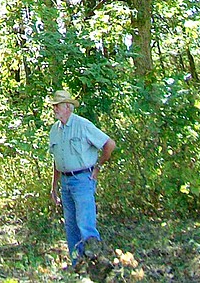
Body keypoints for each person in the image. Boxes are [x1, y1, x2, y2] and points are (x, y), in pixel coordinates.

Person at [48, 89, 116, 267]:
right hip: (65, 181)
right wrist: (53, 187)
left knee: (86, 223)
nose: (55, 109)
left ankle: (96, 264)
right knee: (70, 225)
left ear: (68, 107)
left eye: (58, 105)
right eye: (54, 105)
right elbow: (57, 160)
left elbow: (109, 144)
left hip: (82, 180)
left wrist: (98, 167)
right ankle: (78, 264)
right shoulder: (55, 130)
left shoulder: (83, 125)